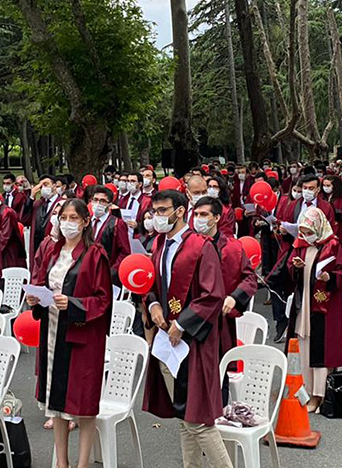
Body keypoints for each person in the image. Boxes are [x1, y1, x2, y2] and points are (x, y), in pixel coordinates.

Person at [143, 189, 232, 468]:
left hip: (193, 342)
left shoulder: (201, 246)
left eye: (162, 211)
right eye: (154, 211)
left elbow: (213, 294)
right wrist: (154, 305)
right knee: (183, 419)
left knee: (198, 421)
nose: (156, 217)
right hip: (165, 341)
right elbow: (150, 285)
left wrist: (182, 324)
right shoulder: (158, 244)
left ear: (180, 211)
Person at [29, 199, 112, 468]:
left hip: (82, 335)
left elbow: (103, 299)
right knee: (56, 401)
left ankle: (82, 463)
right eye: (63, 216)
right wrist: (36, 299)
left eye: (73, 217)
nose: (67, 223)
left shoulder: (95, 254)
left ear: (85, 222)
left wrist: (74, 304)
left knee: (83, 402)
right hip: (52, 331)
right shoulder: (53, 251)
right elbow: (42, 282)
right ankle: (62, 462)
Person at [284, 206, 342, 410]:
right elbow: (288, 269)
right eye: (303, 231)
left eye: (309, 232)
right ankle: (303, 389)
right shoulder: (300, 245)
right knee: (303, 345)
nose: (306, 236)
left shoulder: (332, 245)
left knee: (321, 348)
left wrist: (329, 277)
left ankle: (319, 394)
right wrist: (295, 266)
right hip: (304, 301)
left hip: (324, 306)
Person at [192, 196, 256, 365]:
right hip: (191, 319)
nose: (198, 219)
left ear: (217, 218)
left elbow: (250, 278)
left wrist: (234, 297)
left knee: (221, 373)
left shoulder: (233, 247)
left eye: (204, 214)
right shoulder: (186, 246)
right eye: (196, 214)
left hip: (221, 320)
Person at [87, 185, 131, 285]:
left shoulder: (117, 224)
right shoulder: (87, 221)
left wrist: (111, 272)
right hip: (87, 273)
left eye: (102, 201)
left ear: (109, 204)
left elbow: (124, 252)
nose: (98, 203)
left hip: (107, 274)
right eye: (95, 199)